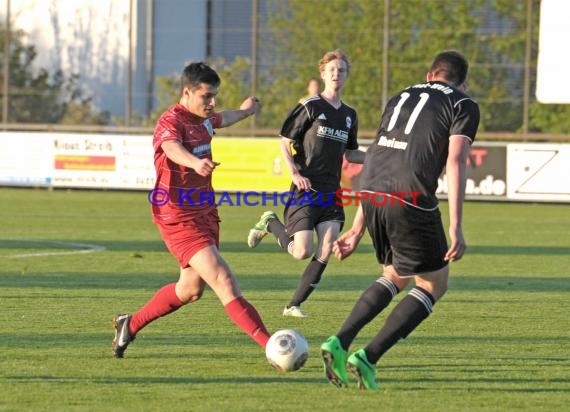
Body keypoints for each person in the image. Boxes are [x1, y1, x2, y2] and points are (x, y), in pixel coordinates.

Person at [320, 50, 480, 390]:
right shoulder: (463, 103)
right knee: (433, 284)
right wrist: (455, 225)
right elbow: (456, 161)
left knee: (395, 274)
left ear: (429, 73)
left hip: (373, 193)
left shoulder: (401, 96)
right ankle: (369, 356)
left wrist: (357, 227)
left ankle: (339, 341)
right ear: (461, 82)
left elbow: (379, 154)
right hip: (410, 200)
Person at [112, 62, 271, 358]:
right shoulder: (170, 121)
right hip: (176, 215)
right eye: (206, 96)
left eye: (214, 96)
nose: (212, 103)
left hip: (205, 212)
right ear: (187, 92)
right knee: (223, 278)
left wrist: (247, 111)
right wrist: (194, 162)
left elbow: (224, 118)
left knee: (190, 290)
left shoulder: (205, 119)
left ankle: (129, 324)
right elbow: (171, 147)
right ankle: (273, 346)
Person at [247, 49, 365, 318]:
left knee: (326, 248)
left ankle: (293, 305)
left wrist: (379, 157)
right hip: (306, 188)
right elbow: (285, 141)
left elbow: (351, 153)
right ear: (323, 73)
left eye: (342, 70)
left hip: (331, 192)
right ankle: (271, 223)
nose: (337, 74)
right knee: (301, 251)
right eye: (332, 70)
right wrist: (293, 173)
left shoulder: (350, 114)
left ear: (347, 75)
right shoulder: (310, 105)